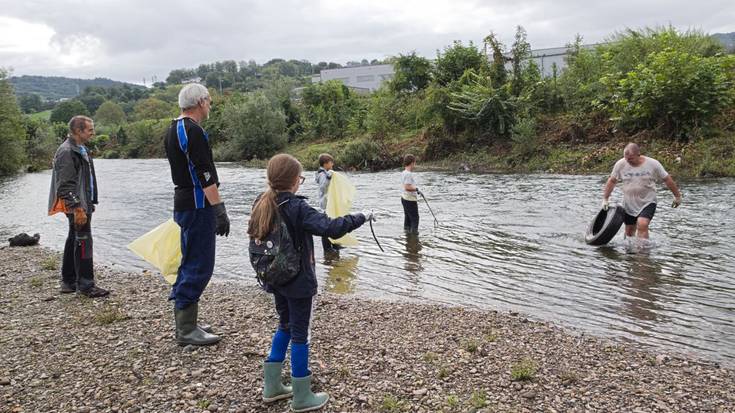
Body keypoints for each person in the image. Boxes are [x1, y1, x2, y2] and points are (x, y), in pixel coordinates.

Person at [248, 153, 373, 412]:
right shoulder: (296, 207)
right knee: (300, 334)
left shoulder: (261, 201)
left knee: (284, 324)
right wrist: (362, 216)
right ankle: (302, 396)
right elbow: (332, 227)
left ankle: (271, 387)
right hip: (298, 281)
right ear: (294, 181)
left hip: (275, 277)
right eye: (300, 179)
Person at [164, 83, 231, 346]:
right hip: (196, 203)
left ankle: (188, 322)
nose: (211, 105)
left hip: (183, 202)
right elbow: (204, 173)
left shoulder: (173, 128)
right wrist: (219, 209)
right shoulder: (193, 131)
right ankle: (186, 330)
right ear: (201, 102)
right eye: (210, 101)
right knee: (200, 264)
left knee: (190, 259)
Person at [47, 115, 110, 298]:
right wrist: (78, 208)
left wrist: (90, 202)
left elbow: (86, 179)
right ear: (78, 131)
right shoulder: (67, 151)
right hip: (77, 205)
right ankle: (86, 285)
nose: (93, 133)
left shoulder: (80, 148)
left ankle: (69, 281)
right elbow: (65, 185)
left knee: (74, 238)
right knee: (84, 241)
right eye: (90, 130)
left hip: (82, 202)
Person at [602, 143, 682, 239]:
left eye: (631, 159)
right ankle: (630, 252)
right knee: (629, 231)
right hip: (629, 203)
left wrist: (677, 197)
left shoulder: (653, 164)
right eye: (626, 159)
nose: (628, 162)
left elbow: (667, 179)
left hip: (648, 201)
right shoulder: (620, 164)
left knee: (642, 224)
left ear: (638, 154)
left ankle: (643, 252)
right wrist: (605, 199)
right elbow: (612, 181)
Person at [315, 153, 337, 254]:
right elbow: (323, 187)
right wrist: (329, 177)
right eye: (330, 162)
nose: (332, 164)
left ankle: (334, 245)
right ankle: (327, 248)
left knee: (332, 223)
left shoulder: (325, 172)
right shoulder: (322, 174)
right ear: (325, 164)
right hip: (324, 205)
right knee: (326, 226)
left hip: (328, 204)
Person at [401, 154, 420, 233]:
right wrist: (416, 189)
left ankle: (407, 235)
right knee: (415, 218)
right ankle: (414, 237)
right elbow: (407, 187)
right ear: (412, 163)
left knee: (408, 218)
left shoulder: (404, 172)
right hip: (410, 199)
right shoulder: (408, 174)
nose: (414, 165)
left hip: (404, 198)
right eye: (414, 163)